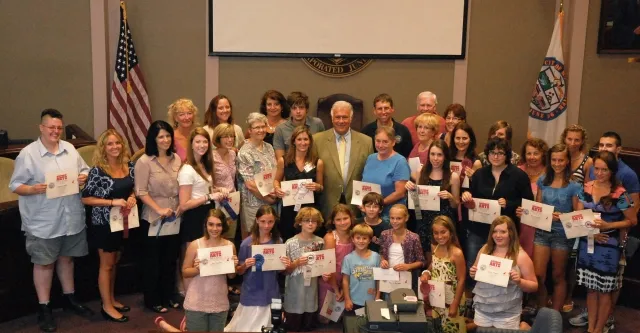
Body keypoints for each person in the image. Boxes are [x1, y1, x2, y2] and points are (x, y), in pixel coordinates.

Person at [9, 109, 93, 332]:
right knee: (44, 263)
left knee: (67, 259)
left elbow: (85, 171)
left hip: (71, 217)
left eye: (58, 127)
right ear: (41, 128)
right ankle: (44, 307)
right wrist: (33, 189)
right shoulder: (28, 154)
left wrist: (84, 176)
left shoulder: (70, 149)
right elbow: (15, 185)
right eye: (51, 127)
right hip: (43, 221)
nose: (55, 131)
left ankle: (69, 299)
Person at [570, 131, 640, 327]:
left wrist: (608, 225)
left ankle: (599, 328)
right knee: (591, 290)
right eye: (597, 169)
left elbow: (632, 220)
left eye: (604, 170)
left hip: (608, 246)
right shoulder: (586, 187)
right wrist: (589, 231)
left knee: (604, 290)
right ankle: (591, 326)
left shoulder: (621, 194)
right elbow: (577, 216)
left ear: (612, 171)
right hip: (587, 242)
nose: (599, 173)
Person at [515, 143, 580, 313]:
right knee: (538, 275)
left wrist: (562, 217)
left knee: (558, 275)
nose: (557, 163)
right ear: (549, 160)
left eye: (561, 160)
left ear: (567, 161)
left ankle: (555, 316)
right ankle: (542, 311)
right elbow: (537, 207)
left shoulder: (574, 185)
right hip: (542, 233)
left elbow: (579, 216)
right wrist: (525, 211)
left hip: (562, 234)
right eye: (554, 160)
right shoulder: (543, 180)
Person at [81, 129, 136, 322]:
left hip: (123, 222)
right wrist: (112, 202)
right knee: (106, 265)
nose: (115, 147)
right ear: (103, 147)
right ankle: (106, 306)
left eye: (117, 143)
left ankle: (112, 299)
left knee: (115, 261)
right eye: (110, 144)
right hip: (103, 223)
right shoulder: (98, 170)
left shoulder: (129, 165)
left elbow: (133, 189)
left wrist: (132, 198)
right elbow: (85, 198)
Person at [461, 138, 534, 279]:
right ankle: (474, 298)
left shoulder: (519, 176)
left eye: (500, 153)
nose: (495, 156)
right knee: (474, 266)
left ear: (507, 155)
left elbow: (528, 202)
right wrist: (467, 198)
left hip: (505, 233)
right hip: (479, 229)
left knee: (501, 269)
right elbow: (472, 197)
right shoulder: (479, 174)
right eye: (492, 152)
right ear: (487, 154)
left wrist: (510, 203)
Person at [135, 121, 183, 314]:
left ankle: (168, 295)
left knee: (170, 259)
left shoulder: (177, 159)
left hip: (175, 216)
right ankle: (152, 299)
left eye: (168, 136)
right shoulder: (144, 161)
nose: (165, 140)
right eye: (161, 136)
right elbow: (140, 191)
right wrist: (158, 209)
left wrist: (180, 206)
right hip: (153, 219)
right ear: (153, 139)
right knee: (153, 262)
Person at [225, 205, 291, 332]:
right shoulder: (246, 243)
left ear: (274, 221)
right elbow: (238, 270)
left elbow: (280, 271)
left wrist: (285, 265)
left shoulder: (278, 241)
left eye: (270, 222)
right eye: (263, 221)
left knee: (269, 326)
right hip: (252, 290)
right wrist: (245, 265)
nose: (266, 225)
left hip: (270, 289)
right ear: (256, 220)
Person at [469, 216, 537, 330]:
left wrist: (519, 281)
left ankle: (524, 327)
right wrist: (473, 273)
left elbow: (534, 286)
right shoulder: (485, 249)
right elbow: (476, 273)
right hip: (483, 310)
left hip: (507, 314)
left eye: (503, 232)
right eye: (495, 231)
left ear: (511, 233)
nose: (498, 235)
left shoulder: (520, 256)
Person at [312, 101, 373, 221]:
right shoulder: (317, 140)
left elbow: (369, 175)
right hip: (327, 202)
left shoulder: (366, 141)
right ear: (332, 118)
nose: (341, 121)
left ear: (351, 118)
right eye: (337, 117)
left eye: (344, 117)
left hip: (355, 202)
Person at [181, 209, 238, 332]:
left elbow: (232, 276)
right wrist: (198, 269)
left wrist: (233, 265)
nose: (214, 229)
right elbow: (185, 272)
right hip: (196, 302)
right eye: (211, 224)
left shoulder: (229, 246)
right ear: (205, 225)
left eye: (218, 225)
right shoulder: (195, 245)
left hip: (220, 301)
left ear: (223, 226)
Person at [406, 139, 460, 267]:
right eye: (433, 154)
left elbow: (456, 205)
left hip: (443, 223)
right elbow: (417, 204)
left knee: (442, 261)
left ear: (445, 156)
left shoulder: (453, 177)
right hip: (424, 221)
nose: (435, 158)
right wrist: (412, 190)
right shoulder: (421, 172)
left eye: (439, 155)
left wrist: (450, 197)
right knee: (426, 260)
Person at [274, 126, 324, 241]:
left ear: (310, 142)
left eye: (306, 139)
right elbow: (277, 180)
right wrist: (277, 188)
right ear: (294, 141)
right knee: (288, 238)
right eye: (299, 139)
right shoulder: (284, 160)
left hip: (310, 210)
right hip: (289, 209)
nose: (303, 142)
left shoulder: (318, 162)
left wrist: (317, 186)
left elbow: (321, 187)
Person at [419, 216, 467, 333]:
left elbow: (461, 280)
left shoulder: (457, 253)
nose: (439, 236)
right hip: (438, 298)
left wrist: (455, 303)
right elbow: (432, 266)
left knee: (453, 328)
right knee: (439, 328)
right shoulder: (435, 248)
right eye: (436, 233)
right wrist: (426, 273)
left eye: (443, 232)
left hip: (453, 298)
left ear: (450, 232)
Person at [283, 207, 325, 332]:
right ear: (300, 222)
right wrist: (296, 263)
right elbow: (285, 271)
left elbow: (323, 266)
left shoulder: (320, 242)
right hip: (294, 288)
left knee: (309, 325)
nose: (311, 224)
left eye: (314, 221)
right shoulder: (290, 243)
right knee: (294, 327)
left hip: (311, 287)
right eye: (307, 220)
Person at [237, 113, 277, 238]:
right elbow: (250, 184)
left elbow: (275, 172)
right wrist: (269, 198)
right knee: (254, 238)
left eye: (263, 126)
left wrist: (275, 192)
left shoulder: (269, 147)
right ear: (249, 130)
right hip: (254, 203)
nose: (261, 130)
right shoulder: (245, 152)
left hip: (272, 199)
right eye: (257, 127)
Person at [178, 128, 221, 245]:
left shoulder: (204, 164)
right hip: (194, 216)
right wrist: (209, 196)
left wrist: (218, 190)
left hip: (208, 212)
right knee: (195, 257)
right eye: (197, 142)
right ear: (191, 145)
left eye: (205, 141)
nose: (202, 145)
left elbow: (201, 189)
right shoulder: (187, 170)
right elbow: (184, 205)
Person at [362, 127, 411, 219]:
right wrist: (364, 205)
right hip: (368, 214)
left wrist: (377, 206)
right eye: (378, 141)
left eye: (385, 142)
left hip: (390, 216)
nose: (380, 145)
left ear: (393, 142)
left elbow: (400, 193)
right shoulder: (370, 158)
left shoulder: (400, 162)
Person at [318, 204, 355, 324]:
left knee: (343, 320)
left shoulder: (354, 236)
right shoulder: (330, 237)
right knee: (326, 318)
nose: (342, 222)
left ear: (351, 218)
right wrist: (337, 289)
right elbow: (329, 266)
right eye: (338, 219)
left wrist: (345, 289)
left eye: (345, 218)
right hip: (330, 280)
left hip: (348, 278)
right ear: (333, 221)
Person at [379, 205, 426, 290]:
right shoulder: (384, 234)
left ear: (406, 218)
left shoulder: (413, 237)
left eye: (398, 218)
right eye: (392, 218)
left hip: (406, 280)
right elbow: (382, 253)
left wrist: (408, 266)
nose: (394, 221)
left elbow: (421, 261)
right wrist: (383, 261)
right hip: (388, 278)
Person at [517, 138, 549, 258]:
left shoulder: (549, 174)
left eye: (536, 153)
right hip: (519, 222)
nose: (532, 157)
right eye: (528, 153)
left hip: (540, 225)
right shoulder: (518, 171)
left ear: (543, 155)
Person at [273, 91, 325, 159]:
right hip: (290, 167)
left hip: (314, 164)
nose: (298, 111)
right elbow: (280, 158)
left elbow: (324, 149)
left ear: (306, 109)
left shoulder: (317, 123)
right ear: (290, 110)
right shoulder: (280, 129)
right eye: (294, 108)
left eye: (301, 107)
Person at [342, 223, 381, 314]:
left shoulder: (376, 257)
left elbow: (378, 279)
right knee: (353, 325)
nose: (361, 241)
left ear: (369, 240)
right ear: (353, 239)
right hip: (353, 300)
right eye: (358, 238)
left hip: (371, 300)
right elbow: (345, 280)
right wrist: (347, 299)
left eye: (364, 238)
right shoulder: (348, 258)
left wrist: (378, 296)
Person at [361, 93, 413, 158]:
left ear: (392, 109)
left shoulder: (403, 131)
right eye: (380, 109)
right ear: (374, 111)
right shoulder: (366, 131)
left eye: (386, 108)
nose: (383, 112)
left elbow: (409, 155)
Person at [211, 123, 238, 240]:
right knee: (217, 237)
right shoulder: (211, 156)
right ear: (218, 138)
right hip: (218, 203)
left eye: (232, 136)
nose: (230, 139)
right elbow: (207, 184)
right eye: (226, 136)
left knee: (230, 237)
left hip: (233, 201)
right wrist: (218, 189)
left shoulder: (233, 154)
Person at [168, 98, 199, 162]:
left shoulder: (199, 135)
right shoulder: (170, 138)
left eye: (189, 113)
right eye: (182, 114)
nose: (187, 117)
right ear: (175, 118)